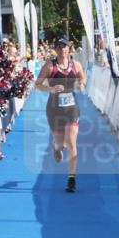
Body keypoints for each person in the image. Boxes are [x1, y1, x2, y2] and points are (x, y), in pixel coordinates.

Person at [34, 37, 86, 193]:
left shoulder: (76, 65)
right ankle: (57, 148)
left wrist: (81, 84)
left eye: (65, 47)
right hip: (54, 109)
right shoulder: (49, 66)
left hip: (72, 108)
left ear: (69, 49)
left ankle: (71, 179)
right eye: (59, 47)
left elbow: (82, 77)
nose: (62, 50)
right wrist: (49, 89)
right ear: (55, 49)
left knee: (71, 143)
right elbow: (37, 84)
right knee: (60, 144)